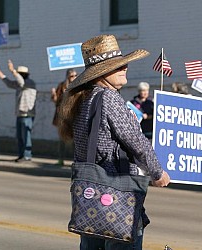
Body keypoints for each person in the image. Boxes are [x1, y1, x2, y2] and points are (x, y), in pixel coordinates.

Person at [57, 34, 170, 250]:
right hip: (117, 191)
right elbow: (136, 141)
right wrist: (157, 172)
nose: (125, 67)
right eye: (118, 66)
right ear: (102, 74)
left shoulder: (84, 98)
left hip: (90, 193)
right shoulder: (108, 98)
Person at [0, 60, 37, 162]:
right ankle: (21, 155)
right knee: (19, 136)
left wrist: (13, 70)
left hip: (27, 114)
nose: (17, 75)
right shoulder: (19, 84)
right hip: (20, 114)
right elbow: (9, 83)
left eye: (19, 74)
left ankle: (27, 155)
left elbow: (21, 82)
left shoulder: (29, 83)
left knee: (26, 136)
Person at [51, 69, 77, 165]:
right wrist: (54, 96)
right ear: (67, 77)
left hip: (74, 116)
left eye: (75, 75)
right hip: (63, 117)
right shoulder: (62, 86)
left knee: (76, 140)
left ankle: (76, 160)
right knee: (62, 139)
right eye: (71, 76)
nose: (74, 78)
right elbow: (56, 101)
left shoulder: (78, 86)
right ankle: (60, 159)